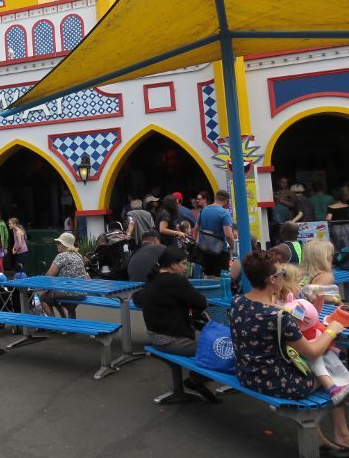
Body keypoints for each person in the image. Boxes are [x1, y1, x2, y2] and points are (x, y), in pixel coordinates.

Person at [230, 250, 349, 448]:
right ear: (272, 279)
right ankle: (342, 434)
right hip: (280, 382)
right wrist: (332, 330)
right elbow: (311, 352)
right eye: (281, 274)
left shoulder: (238, 302)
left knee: (326, 364)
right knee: (333, 368)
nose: (283, 278)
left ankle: (321, 437)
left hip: (247, 374)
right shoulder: (278, 316)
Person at [132, 247, 216, 402]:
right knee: (216, 349)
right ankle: (194, 380)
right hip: (172, 340)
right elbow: (201, 302)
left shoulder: (153, 278)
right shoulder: (175, 280)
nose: (185, 268)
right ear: (172, 265)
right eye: (183, 264)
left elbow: (137, 298)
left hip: (155, 337)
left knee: (207, 344)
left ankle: (192, 382)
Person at [39, 232, 87, 318]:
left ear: (64, 244)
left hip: (68, 293)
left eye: (58, 243)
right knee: (56, 296)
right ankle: (66, 323)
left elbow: (49, 275)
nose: (57, 245)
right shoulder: (79, 255)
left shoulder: (61, 256)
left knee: (43, 297)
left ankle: (54, 324)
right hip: (81, 293)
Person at [191, 189, 235, 279]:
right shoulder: (224, 213)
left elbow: (195, 230)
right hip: (220, 251)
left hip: (205, 249)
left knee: (207, 275)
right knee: (220, 277)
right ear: (226, 201)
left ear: (215, 197)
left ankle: (208, 292)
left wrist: (197, 244)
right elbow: (228, 235)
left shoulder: (203, 211)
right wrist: (232, 246)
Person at [327, 187, 349, 252]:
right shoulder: (347, 206)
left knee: (337, 244)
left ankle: (339, 258)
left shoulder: (330, 207)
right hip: (347, 227)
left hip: (336, 228)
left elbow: (328, 218)